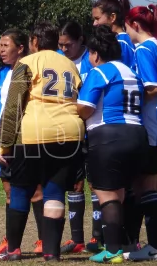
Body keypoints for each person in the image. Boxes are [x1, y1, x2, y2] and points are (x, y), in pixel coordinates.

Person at [0, 22, 85, 262]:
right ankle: (51, 252)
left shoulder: (27, 63)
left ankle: (13, 249)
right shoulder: (70, 65)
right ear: (56, 42)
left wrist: (4, 144)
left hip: (34, 134)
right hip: (69, 134)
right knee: (54, 190)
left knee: (21, 188)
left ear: (34, 41)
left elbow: (13, 105)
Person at [76, 25, 148, 264]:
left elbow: (85, 108)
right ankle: (129, 244)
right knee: (124, 193)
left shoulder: (100, 72)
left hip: (108, 136)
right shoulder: (131, 72)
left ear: (95, 54)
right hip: (137, 134)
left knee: (108, 196)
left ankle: (114, 250)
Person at [0, 30, 45, 257]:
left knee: (36, 191)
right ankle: (11, 240)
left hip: (26, 137)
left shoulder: (30, 70)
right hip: (3, 136)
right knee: (9, 191)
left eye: (5, 45)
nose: (1, 49)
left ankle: (44, 239)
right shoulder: (3, 74)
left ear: (20, 47)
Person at [124, 4, 157, 261]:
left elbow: (152, 88)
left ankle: (155, 246)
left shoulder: (144, 48)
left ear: (134, 25)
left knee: (148, 188)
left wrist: (128, 98)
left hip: (153, 124)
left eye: (126, 27)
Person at [57, 21, 97, 255]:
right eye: (60, 45)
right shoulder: (59, 62)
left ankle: (97, 237)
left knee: (95, 183)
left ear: (81, 40)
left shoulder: (91, 62)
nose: (64, 49)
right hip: (67, 130)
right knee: (74, 183)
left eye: (68, 45)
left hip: (90, 128)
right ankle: (77, 239)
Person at [92, 0, 136, 68]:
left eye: (97, 18)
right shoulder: (115, 41)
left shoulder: (122, 43)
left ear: (112, 17)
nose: (94, 23)